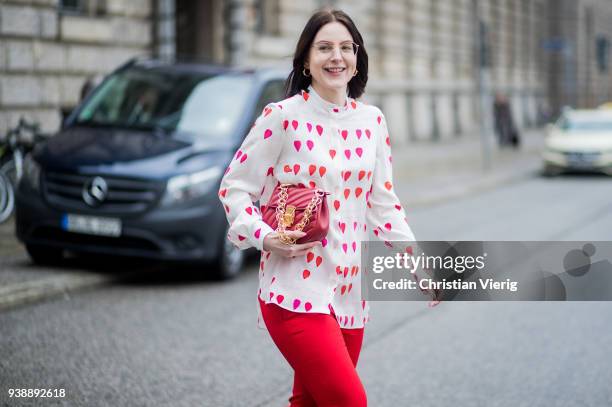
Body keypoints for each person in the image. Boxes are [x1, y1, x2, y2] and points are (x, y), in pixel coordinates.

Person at [218, 8, 416, 406]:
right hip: (294, 290)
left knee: (310, 403)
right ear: (306, 60)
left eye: (346, 47)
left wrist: (417, 262)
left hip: (350, 293)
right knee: (349, 402)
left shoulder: (372, 121)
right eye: (324, 47)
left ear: (357, 58)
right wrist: (265, 236)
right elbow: (234, 187)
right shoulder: (283, 117)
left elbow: (383, 204)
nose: (336, 57)